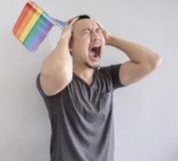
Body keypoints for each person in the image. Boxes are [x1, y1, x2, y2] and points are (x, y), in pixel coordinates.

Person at [36, 15, 162, 161]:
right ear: (71, 44)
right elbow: (61, 74)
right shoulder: (58, 80)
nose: (96, 36)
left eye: (98, 31)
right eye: (87, 32)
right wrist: (64, 38)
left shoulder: (108, 78)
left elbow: (151, 62)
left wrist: (110, 39)